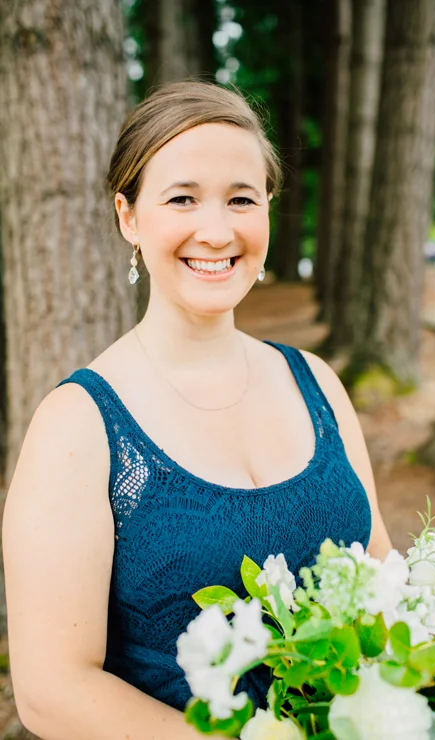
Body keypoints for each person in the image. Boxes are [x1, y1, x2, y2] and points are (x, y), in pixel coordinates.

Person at [2, 81, 392, 739]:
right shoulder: (78, 425)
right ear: (128, 216)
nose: (216, 231)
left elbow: (380, 568)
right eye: (182, 198)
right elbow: (52, 692)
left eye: (242, 199)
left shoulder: (318, 383)